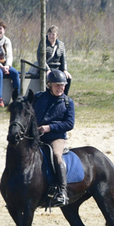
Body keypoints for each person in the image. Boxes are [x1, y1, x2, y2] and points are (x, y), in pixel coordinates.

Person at [33, 69, 75, 207]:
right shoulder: (38, 98)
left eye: (62, 85)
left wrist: (49, 128)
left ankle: (62, 192)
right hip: (37, 136)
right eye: (57, 85)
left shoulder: (68, 102)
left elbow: (69, 124)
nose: (60, 88)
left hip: (56, 138)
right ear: (49, 84)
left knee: (57, 156)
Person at [36, 25, 73, 95]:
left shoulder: (61, 45)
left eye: (53, 34)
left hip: (58, 68)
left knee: (68, 78)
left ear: (57, 36)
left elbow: (63, 59)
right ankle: (48, 95)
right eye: (49, 34)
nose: (51, 36)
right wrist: (47, 69)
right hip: (46, 68)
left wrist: (65, 70)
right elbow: (40, 58)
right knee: (49, 79)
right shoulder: (42, 44)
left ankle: (64, 96)